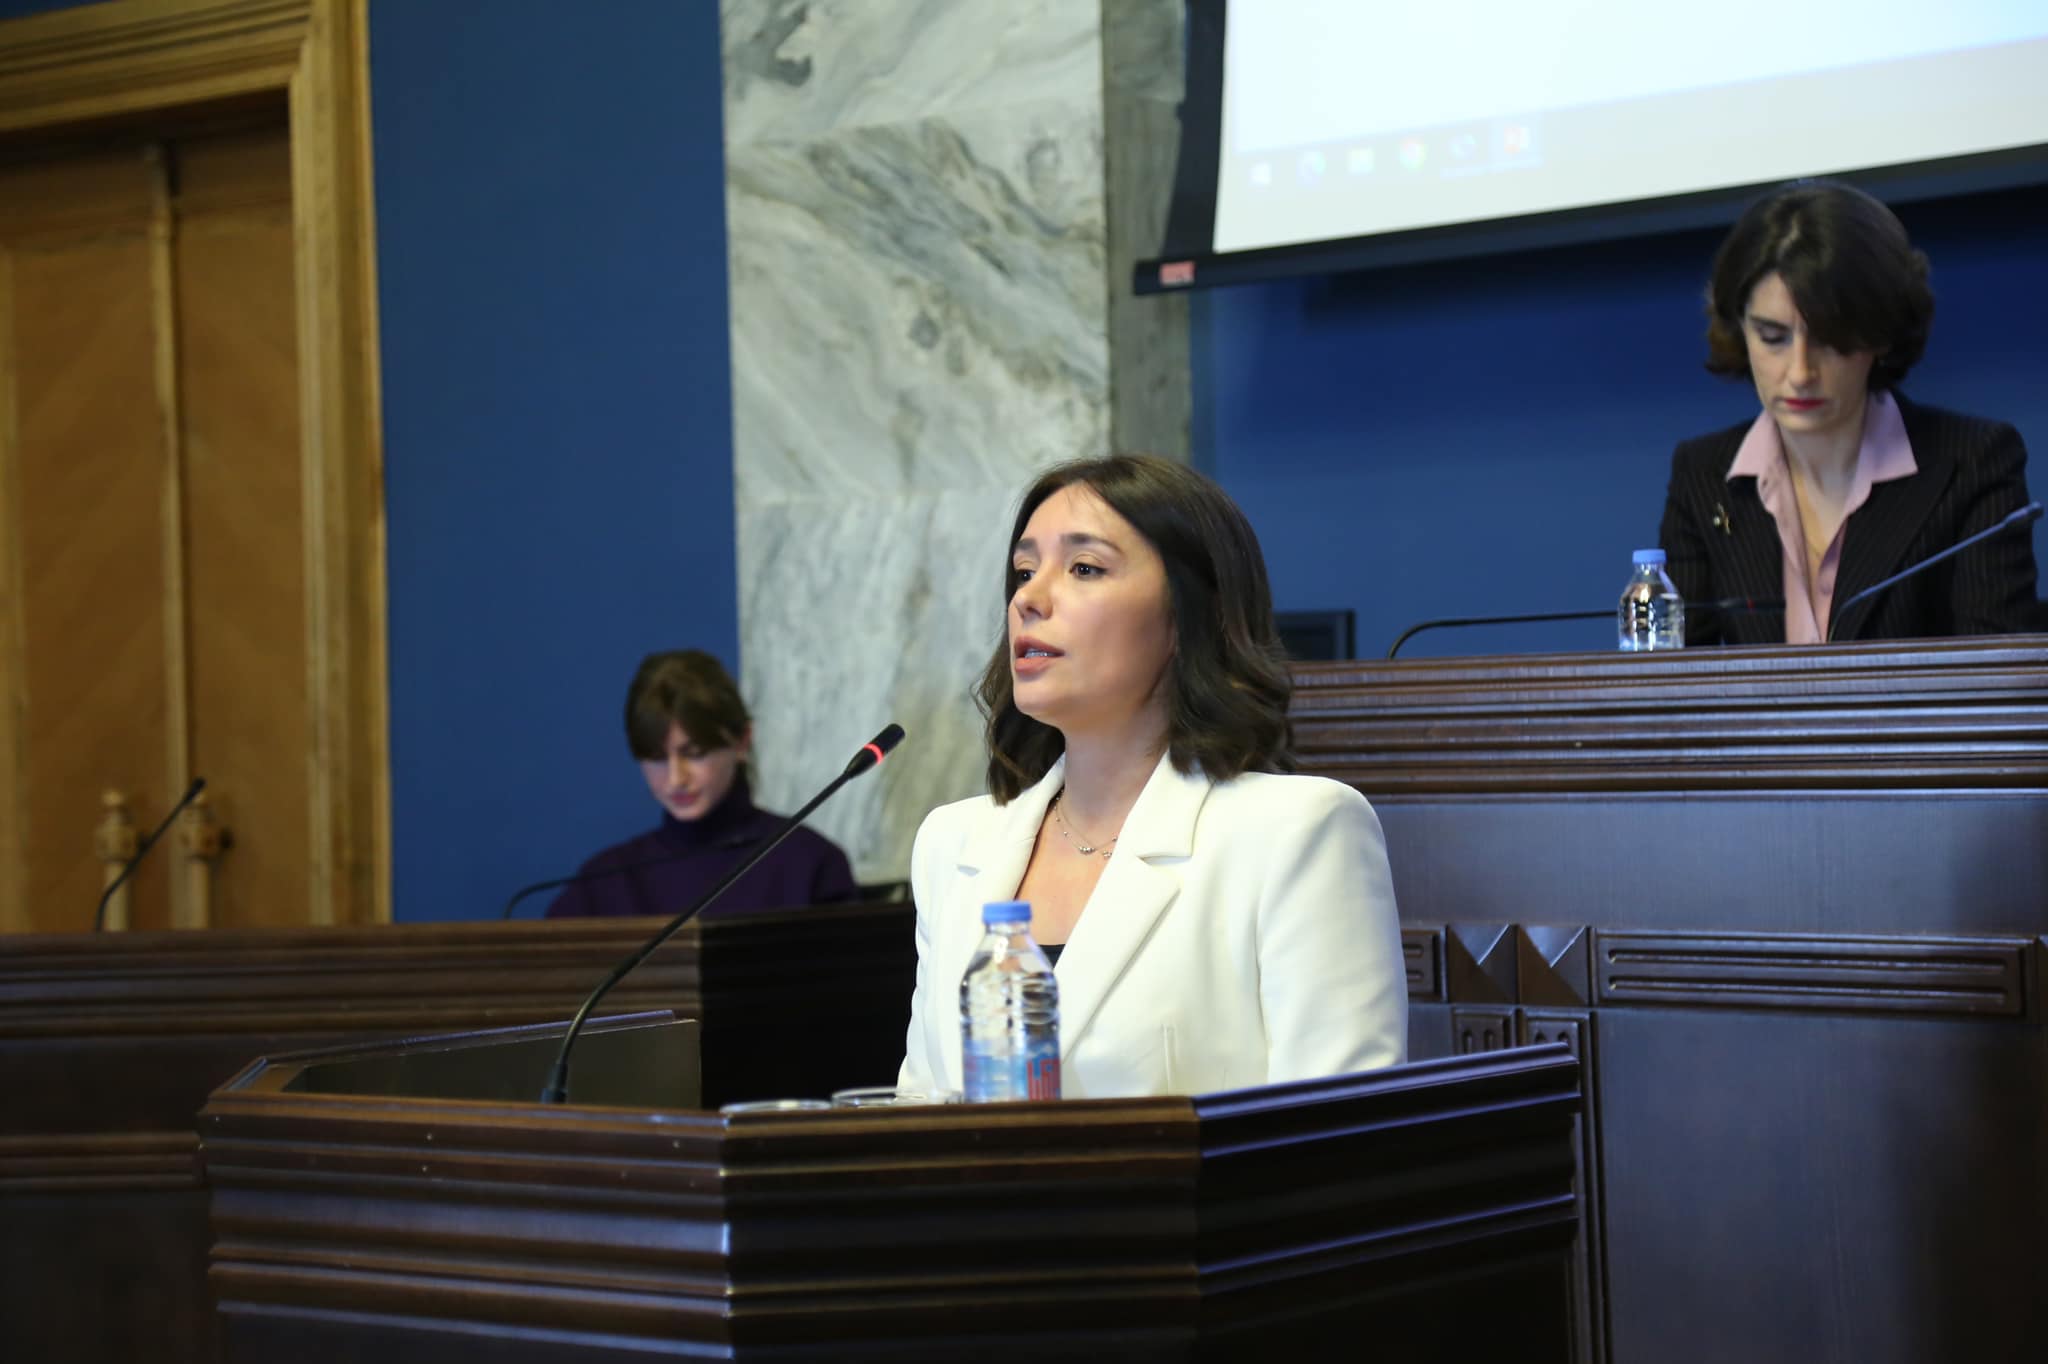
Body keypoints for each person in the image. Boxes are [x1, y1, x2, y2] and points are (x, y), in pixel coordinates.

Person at [896, 455, 1407, 1100]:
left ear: (1189, 615)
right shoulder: (953, 842)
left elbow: (1340, 1127)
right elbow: (920, 1102)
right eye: (1024, 571)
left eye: (1085, 568)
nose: (1029, 598)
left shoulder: (1297, 832)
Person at [1659, 179, 2039, 645]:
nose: (1800, 372)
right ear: (1741, 331)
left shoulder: (1973, 463)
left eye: (1829, 340)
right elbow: (1677, 675)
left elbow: (1995, 675)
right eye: (1773, 338)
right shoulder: (1703, 475)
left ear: (1880, 335)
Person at [545, 650, 857, 918]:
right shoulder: (603, 882)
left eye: (694, 754)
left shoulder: (810, 863)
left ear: (741, 741)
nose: (676, 779)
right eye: (656, 758)